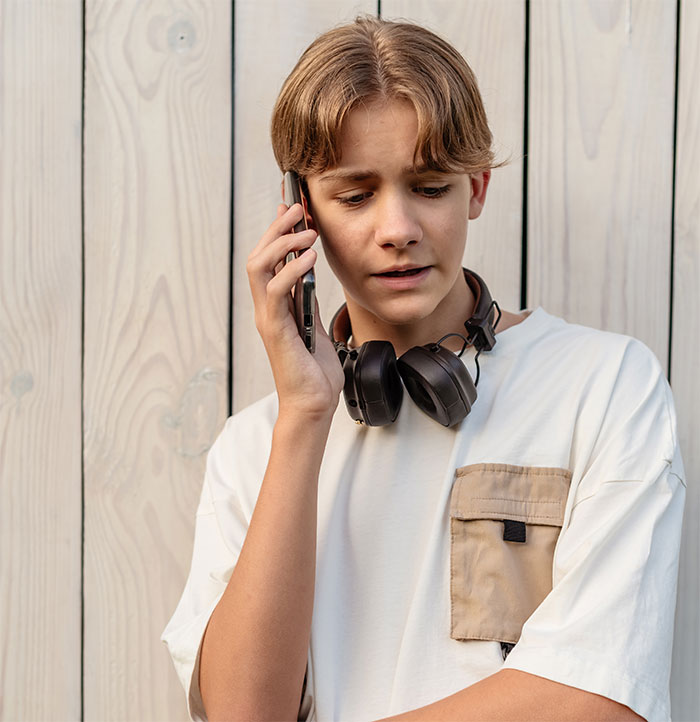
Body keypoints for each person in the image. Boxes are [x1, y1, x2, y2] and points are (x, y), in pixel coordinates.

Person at [161, 16, 686, 722]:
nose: (397, 227)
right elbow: (241, 712)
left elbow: (597, 696)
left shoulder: (606, 385)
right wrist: (305, 420)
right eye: (355, 195)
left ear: (477, 187)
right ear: (300, 214)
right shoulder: (254, 449)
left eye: (430, 186)